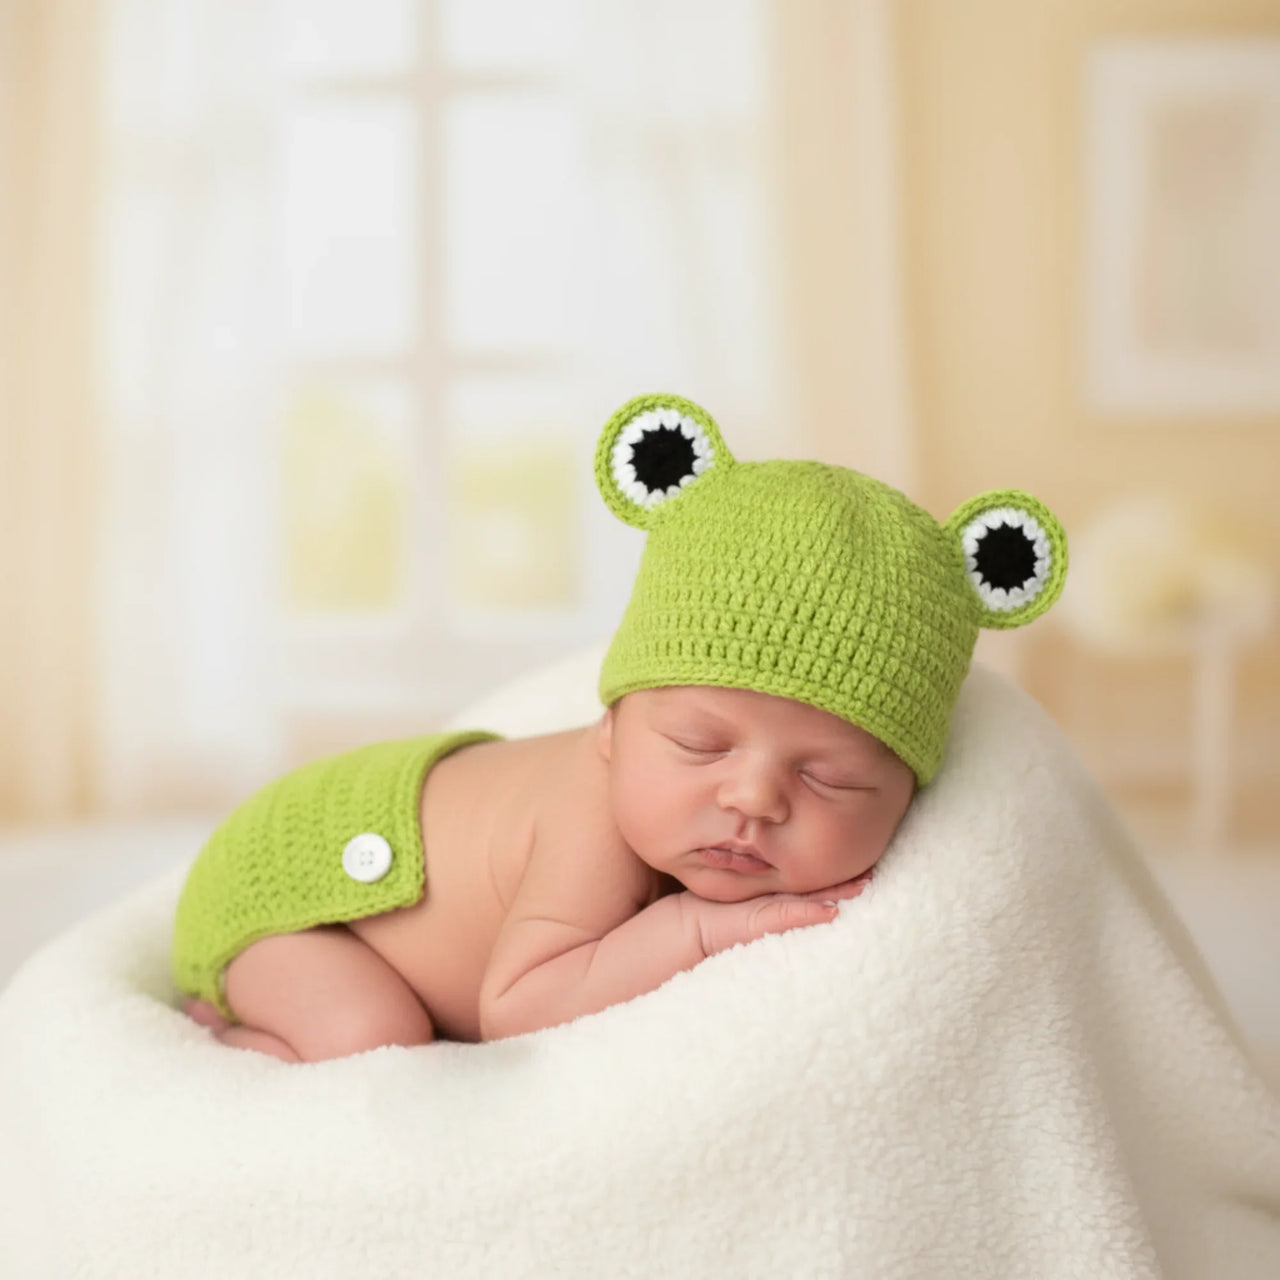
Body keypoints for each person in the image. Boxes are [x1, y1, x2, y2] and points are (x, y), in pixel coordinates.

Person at [173, 392, 1068, 1062]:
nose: (753, 797)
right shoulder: (591, 821)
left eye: (830, 777)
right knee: (374, 1039)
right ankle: (244, 1046)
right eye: (700, 745)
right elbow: (517, 1007)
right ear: (610, 729)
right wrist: (698, 933)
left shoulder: (696, 804)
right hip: (293, 901)